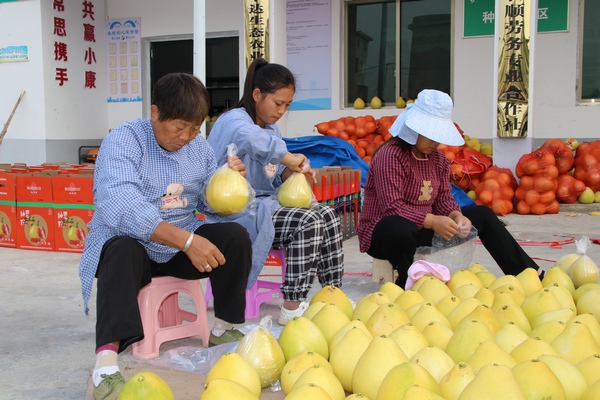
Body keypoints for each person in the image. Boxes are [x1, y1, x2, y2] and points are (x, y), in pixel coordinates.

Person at [78, 73, 252, 400]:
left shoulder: (198, 148)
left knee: (234, 236)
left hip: (178, 245)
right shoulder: (124, 140)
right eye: (178, 127)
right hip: (135, 248)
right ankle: (105, 363)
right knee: (119, 249)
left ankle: (223, 327)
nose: (186, 136)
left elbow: (206, 203)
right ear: (155, 113)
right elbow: (120, 204)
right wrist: (187, 242)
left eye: (195, 128)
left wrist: (227, 183)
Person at [206, 58, 345, 325]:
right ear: (257, 95)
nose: (282, 110)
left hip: (264, 204)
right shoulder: (233, 120)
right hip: (234, 214)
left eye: (287, 105)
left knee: (326, 213)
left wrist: (294, 173)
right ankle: (292, 305)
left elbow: (274, 168)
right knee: (309, 220)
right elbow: (254, 141)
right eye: (278, 103)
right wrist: (290, 157)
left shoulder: (272, 128)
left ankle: (332, 296)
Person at [357, 89, 542, 288]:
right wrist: (433, 220)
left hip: (423, 228)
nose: (434, 143)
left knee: (483, 215)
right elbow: (392, 207)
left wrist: (456, 217)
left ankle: (528, 274)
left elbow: (444, 200)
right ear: (414, 130)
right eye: (429, 136)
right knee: (399, 227)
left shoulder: (438, 160)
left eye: (438, 137)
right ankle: (406, 281)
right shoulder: (390, 156)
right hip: (384, 234)